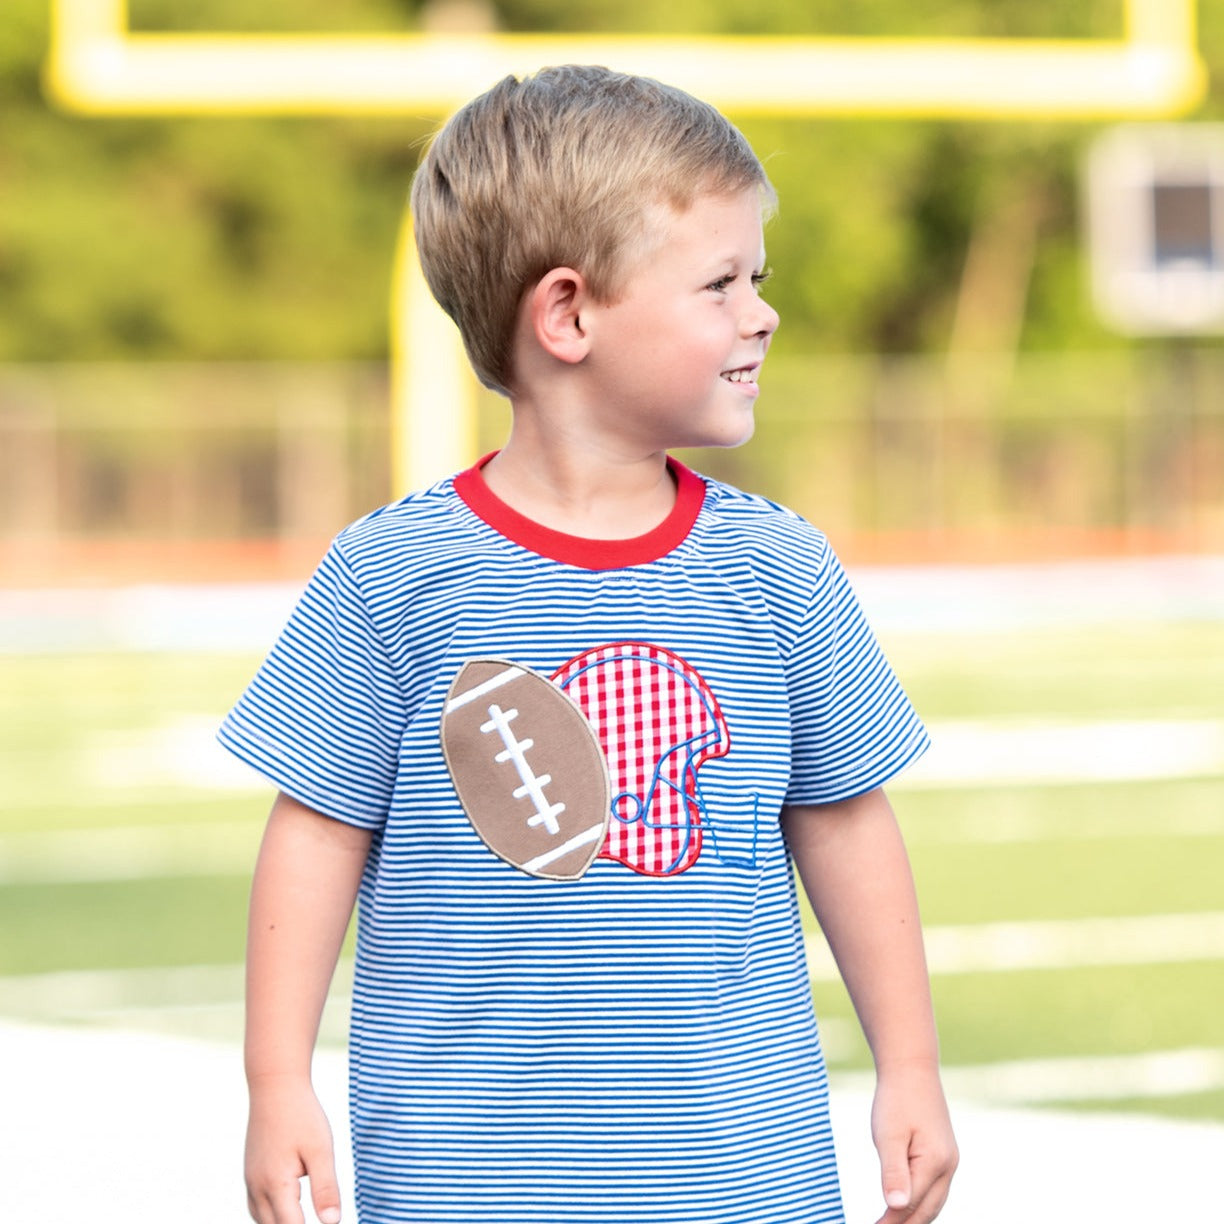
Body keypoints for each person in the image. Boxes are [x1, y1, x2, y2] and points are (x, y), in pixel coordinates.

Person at [220, 64, 957, 1224]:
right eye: (719, 282)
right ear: (567, 314)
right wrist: (278, 1082)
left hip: (738, 1168)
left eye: (758, 278)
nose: (762, 312)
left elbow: (846, 814)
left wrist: (908, 1067)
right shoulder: (393, 576)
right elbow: (317, 826)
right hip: (464, 1175)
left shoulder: (778, 571)